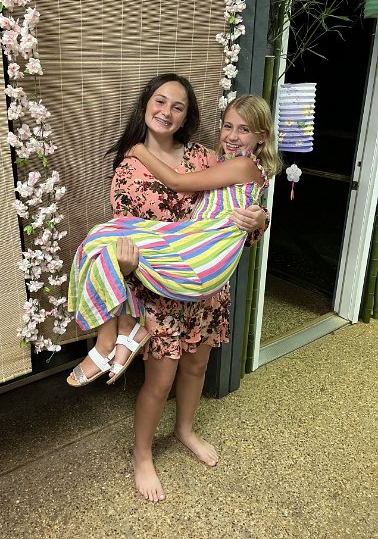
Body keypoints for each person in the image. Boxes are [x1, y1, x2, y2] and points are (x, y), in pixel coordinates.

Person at [68, 74, 271, 502]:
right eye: (160, 101)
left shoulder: (205, 156)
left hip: (205, 286)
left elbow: (237, 211)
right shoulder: (129, 168)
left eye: (177, 106)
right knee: (159, 382)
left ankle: (184, 430)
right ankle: (142, 454)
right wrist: (126, 265)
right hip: (160, 290)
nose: (166, 112)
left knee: (196, 368)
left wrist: (260, 220)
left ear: (186, 116)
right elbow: (127, 233)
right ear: (146, 104)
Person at [68, 95, 280, 386]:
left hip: (199, 258)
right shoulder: (222, 162)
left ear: (261, 136)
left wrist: (138, 150)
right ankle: (121, 333)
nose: (232, 136)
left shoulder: (232, 163)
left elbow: (178, 182)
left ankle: (108, 342)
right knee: (101, 240)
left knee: (101, 238)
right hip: (188, 250)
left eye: (244, 129)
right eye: (228, 126)